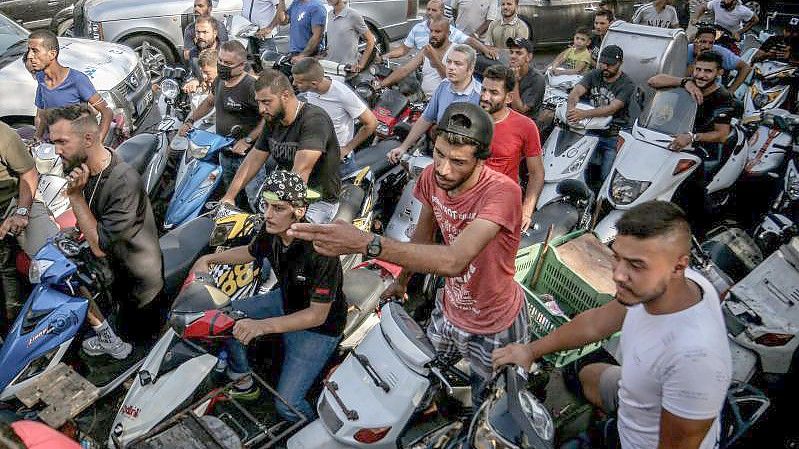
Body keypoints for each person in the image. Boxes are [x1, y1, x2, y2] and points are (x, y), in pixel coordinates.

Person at [288, 102, 530, 406]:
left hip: (495, 321)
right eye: (440, 154)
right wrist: (403, 281)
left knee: (490, 400)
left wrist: (367, 242)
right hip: (450, 308)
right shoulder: (431, 177)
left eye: (458, 162)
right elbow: (424, 234)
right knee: (425, 374)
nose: (444, 169)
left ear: (481, 160)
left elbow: (454, 261)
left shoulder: (502, 193)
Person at [493, 201, 732, 449]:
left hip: (640, 441)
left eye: (636, 265)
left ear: (678, 266)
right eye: (618, 258)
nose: (618, 274)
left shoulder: (696, 362)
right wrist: (530, 351)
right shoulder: (663, 286)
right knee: (579, 372)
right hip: (635, 392)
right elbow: (596, 323)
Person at [191, 170, 346, 420]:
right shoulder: (271, 230)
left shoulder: (320, 251)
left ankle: (315, 430)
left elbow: (317, 315)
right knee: (225, 316)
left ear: (299, 211)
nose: (268, 214)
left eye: (278, 208)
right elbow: (252, 252)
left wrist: (261, 326)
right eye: (266, 206)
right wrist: (209, 258)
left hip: (318, 329)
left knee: (287, 406)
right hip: (284, 302)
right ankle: (242, 380)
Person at [47, 104, 163, 358]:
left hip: (138, 283)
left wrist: (75, 197)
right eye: (53, 142)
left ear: (88, 138)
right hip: (116, 276)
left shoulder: (122, 181)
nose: (56, 151)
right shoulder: (89, 168)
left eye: (62, 142)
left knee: (137, 352)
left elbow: (100, 246)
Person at [221, 69, 341, 224]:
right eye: (258, 102)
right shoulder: (273, 119)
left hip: (317, 200)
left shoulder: (314, 120)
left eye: (266, 102)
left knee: (293, 240)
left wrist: (277, 212)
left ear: (285, 96)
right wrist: (229, 197)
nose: (261, 109)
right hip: (284, 196)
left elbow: (300, 172)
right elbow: (254, 159)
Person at [648, 51, 737, 236]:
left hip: (698, 151)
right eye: (698, 69)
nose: (701, 75)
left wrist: (692, 137)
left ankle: (696, 237)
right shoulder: (688, 84)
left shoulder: (723, 98)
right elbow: (653, 81)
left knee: (688, 198)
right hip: (669, 142)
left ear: (719, 73)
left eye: (708, 71)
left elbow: (721, 135)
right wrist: (685, 82)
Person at [179, 41, 265, 209]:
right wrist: (190, 120)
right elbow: (209, 102)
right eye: (221, 61)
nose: (223, 66)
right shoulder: (219, 81)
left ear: (242, 65)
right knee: (232, 197)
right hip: (225, 152)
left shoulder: (250, 87)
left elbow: (267, 118)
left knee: (255, 199)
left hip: (249, 156)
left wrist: (248, 140)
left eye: (229, 64)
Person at [0, 123, 56, 335]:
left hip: (16, 202)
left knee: (54, 261)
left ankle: (102, 329)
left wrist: (22, 213)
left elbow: (29, 174)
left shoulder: (3, 134)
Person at [387, 44, 481, 163]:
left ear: (471, 69)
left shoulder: (480, 96)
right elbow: (426, 118)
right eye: (449, 62)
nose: (451, 67)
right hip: (439, 152)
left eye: (458, 64)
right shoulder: (444, 85)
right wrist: (403, 147)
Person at [480, 65, 544, 232]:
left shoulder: (526, 126)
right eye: (483, 90)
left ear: (509, 98)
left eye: (493, 93)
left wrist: (526, 211)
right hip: (466, 200)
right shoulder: (470, 118)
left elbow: (537, 173)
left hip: (501, 204)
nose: (485, 97)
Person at [291, 58, 378, 175]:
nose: (294, 84)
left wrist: (347, 149)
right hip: (315, 156)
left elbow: (372, 122)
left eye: (299, 82)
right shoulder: (310, 91)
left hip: (339, 162)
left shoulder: (342, 94)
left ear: (314, 83)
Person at [28, 30, 112, 144]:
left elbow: (106, 111)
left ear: (52, 54)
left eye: (35, 51)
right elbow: (43, 113)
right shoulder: (40, 77)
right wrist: (37, 137)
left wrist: (97, 143)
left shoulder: (77, 80)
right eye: (29, 50)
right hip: (57, 144)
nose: (30, 56)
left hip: (79, 145)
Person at [567, 45, 636, 184]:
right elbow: (576, 92)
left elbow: (612, 108)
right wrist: (571, 110)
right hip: (591, 129)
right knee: (576, 169)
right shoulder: (594, 74)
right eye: (603, 63)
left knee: (606, 177)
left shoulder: (627, 84)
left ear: (620, 63)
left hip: (614, 134)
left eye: (610, 65)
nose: (605, 67)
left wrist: (584, 114)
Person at [380, 0, 497, 61]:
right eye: (428, 9)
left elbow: (469, 40)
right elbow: (404, 50)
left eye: (434, 10)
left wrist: (485, 50)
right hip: (418, 69)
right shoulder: (417, 28)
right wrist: (385, 56)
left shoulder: (449, 30)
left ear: (441, 12)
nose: (430, 12)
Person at [375, 17, 453, 97]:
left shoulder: (455, 51)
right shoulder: (427, 50)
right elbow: (405, 70)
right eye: (431, 31)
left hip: (447, 101)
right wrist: (380, 85)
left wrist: (434, 59)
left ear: (448, 33)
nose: (433, 35)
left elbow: (451, 80)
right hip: (427, 100)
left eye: (438, 32)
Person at [688, 25, 751, 92]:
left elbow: (745, 67)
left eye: (711, 43)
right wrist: (697, 57)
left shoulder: (720, 52)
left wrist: (731, 91)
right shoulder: (686, 50)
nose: (707, 46)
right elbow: (681, 76)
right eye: (703, 42)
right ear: (695, 40)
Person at [325, 0, 376, 72]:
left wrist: (361, 64)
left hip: (346, 68)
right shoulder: (330, 14)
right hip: (330, 65)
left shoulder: (353, 15)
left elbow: (370, 40)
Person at [506, 37, 546, 121]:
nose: (513, 56)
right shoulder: (506, 72)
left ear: (528, 57)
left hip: (525, 123)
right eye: (511, 52)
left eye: (518, 53)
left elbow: (519, 111)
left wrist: (515, 82)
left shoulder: (537, 79)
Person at [692, 0, 758, 39]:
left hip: (732, 35)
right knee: (694, 38)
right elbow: (703, 7)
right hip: (717, 30)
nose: (723, 1)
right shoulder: (717, 2)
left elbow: (755, 20)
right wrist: (696, 18)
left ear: (734, 2)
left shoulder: (742, 10)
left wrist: (739, 32)